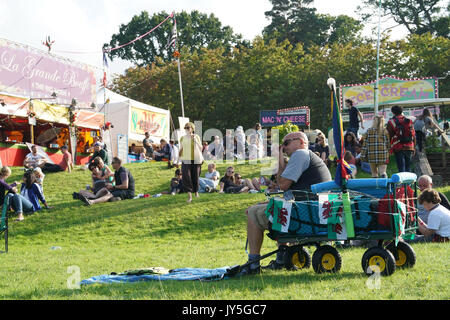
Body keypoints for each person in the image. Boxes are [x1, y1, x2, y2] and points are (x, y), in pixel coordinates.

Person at [241, 132, 332, 275]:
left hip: (306, 212)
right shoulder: (305, 157)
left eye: (287, 142)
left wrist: (279, 161)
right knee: (266, 207)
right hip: (312, 209)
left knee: (252, 212)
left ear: (301, 142)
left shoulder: (300, 154)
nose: (283, 146)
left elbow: (282, 185)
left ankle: (253, 264)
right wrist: (280, 160)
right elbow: (284, 185)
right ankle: (281, 259)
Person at [179, 122, 204, 203]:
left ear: (192, 129)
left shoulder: (196, 137)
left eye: (188, 128)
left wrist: (195, 140)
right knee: (186, 177)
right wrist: (178, 158)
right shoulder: (182, 138)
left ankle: (196, 192)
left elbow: (201, 148)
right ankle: (189, 196)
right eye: (186, 128)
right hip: (186, 160)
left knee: (195, 176)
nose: (187, 129)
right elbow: (181, 148)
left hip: (196, 159)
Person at [387, 105, 416, 173]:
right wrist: (414, 147)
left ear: (393, 112)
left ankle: (402, 183)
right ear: (402, 111)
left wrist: (388, 147)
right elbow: (414, 135)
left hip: (398, 147)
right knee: (408, 167)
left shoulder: (391, 122)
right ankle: (409, 183)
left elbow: (389, 136)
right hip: (409, 146)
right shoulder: (409, 121)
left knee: (401, 167)